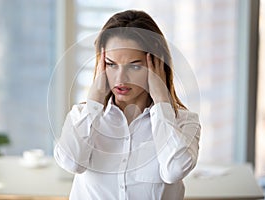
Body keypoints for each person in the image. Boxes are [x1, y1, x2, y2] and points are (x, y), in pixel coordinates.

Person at [54, 10, 201, 200]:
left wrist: (161, 100)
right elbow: (70, 162)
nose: (120, 78)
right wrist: (95, 99)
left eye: (134, 65)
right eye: (111, 64)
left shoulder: (184, 122)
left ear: (157, 65)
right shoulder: (82, 115)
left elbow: (174, 170)